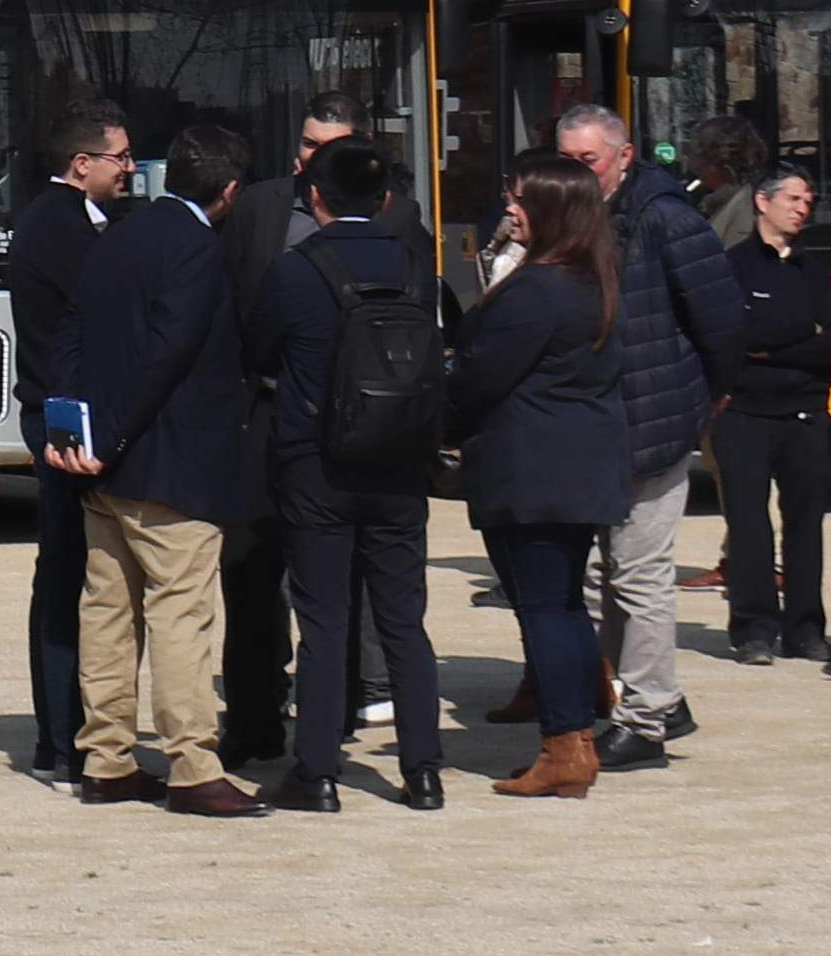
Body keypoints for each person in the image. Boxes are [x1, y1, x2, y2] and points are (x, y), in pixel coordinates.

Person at [37, 136, 261, 816]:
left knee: (107, 615)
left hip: (102, 468)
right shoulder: (196, 249)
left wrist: (70, 431)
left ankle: (107, 759)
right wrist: (109, 435)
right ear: (227, 195)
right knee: (180, 617)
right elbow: (170, 354)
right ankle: (192, 763)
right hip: (170, 467)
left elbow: (69, 331)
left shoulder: (121, 233)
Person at [245, 134, 449, 810]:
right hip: (399, 460)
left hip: (316, 462)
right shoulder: (418, 264)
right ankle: (423, 771)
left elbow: (259, 351)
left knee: (324, 619)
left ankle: (319, 771)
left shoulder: (296, 271)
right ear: (386, 196)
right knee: (403, 618)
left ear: (313, 196)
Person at [554, 101, 738, 769]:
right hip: (603, 419)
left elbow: (720, 318)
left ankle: (648, 716)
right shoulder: (578, 217)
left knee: (639, 575)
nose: (576, 174)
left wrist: (704, 397)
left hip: (652, 419)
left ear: (624, 157)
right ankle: (656, 698)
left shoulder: (664, 217)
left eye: (588, 162)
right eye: (566, 162)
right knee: (612, 574)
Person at [450, 165, 635, 799]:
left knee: (546, 608)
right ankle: (577, 732)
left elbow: (480, 372)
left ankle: (565, 745)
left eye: (520, 200)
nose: (510, 209)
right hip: (579, 464)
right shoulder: (593, 280)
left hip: (531, 468)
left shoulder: (539, 290)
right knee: (560, 605)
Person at [6, 106, 130, 771]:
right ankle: (64, 735)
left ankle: (66, 733)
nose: (131, 171)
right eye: (121, 159)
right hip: (65, 418)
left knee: (68, 575)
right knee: (67, 579)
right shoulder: (62, 228)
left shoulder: (59, 222)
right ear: (83, 164)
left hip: (57, 410)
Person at [708, 165, 831, 667]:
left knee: (806, 525)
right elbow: (736, 336)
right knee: (748, 525)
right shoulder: (732, 266)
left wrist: (771, 347)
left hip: (807, 416)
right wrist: (794, 338)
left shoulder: (815, 271)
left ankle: (806, 629)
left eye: (807, 199)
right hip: (744, 414)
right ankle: (753, 630)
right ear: (762, 203)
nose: (802, 206)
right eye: (793, 197)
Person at [190, 121, 297, 766]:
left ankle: (333, 721)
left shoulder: (397, 225)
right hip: (256, 423)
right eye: (307, 144)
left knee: (335, 590)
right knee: (250, 575)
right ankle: (256, 720)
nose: (314, 159)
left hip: (337, 443)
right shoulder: (257, 209)